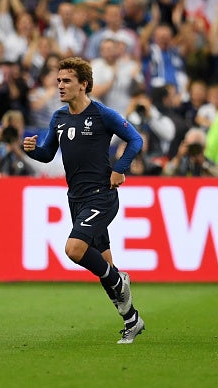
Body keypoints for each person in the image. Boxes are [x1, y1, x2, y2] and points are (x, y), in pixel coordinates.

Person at [23, 57, 145, 344]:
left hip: (101, 196)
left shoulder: (103, 114)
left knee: (75, 249)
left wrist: (119, 167)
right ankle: (132, 320)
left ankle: (119, 279)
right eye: (59, 81)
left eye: (66, 81)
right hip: (75, 198)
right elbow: (47, 154)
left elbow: (136, 140)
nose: (60, 86)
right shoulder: (59, 118)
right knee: (104, 266)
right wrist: (31, 150)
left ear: (84, 85)